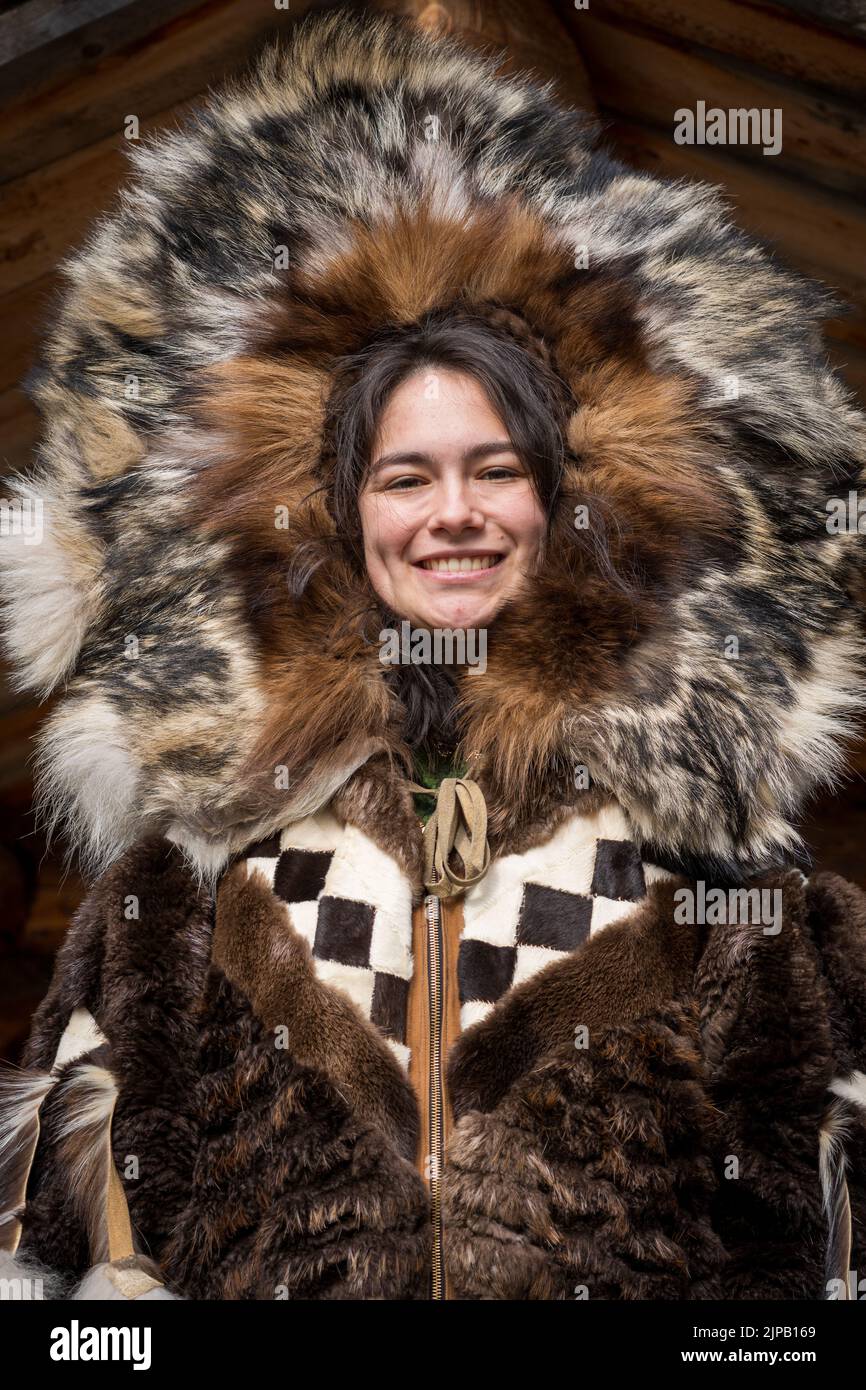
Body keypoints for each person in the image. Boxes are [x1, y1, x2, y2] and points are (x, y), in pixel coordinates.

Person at [1, 5, 865, 1302]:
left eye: (493, 469)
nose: (450, 511)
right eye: (404, 475)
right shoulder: (175, 887)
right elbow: (55, 1269)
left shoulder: (738, 883)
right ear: (349, 522)